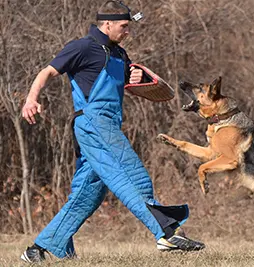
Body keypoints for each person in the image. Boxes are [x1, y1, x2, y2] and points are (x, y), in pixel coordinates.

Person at [20, 1, 204, 263]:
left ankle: (38, 249)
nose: (127, 31)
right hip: (93, 123)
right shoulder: (82, 47)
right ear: (107, 24)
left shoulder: (119, 53)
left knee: (89, 192)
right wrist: (31, 99)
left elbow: (127, 80)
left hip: (108, 125)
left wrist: (136, 78)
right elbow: (47, 72)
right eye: (124, 26)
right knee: (131, 174)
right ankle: (166, 233)